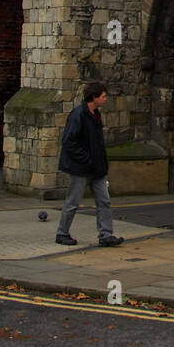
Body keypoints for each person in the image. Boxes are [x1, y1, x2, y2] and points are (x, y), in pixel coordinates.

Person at [55, 82, 123, 247]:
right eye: (103, 96)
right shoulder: (78, 115)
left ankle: (106, 235)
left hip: (97, 169)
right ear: (94, 97)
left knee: (104, 201)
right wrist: (87, 159)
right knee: (73, 202)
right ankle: (62, 233)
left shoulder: (96, 115)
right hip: (81, 168)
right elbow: (69, 142)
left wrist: (100, 163)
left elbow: (97, 143)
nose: (105, 99)